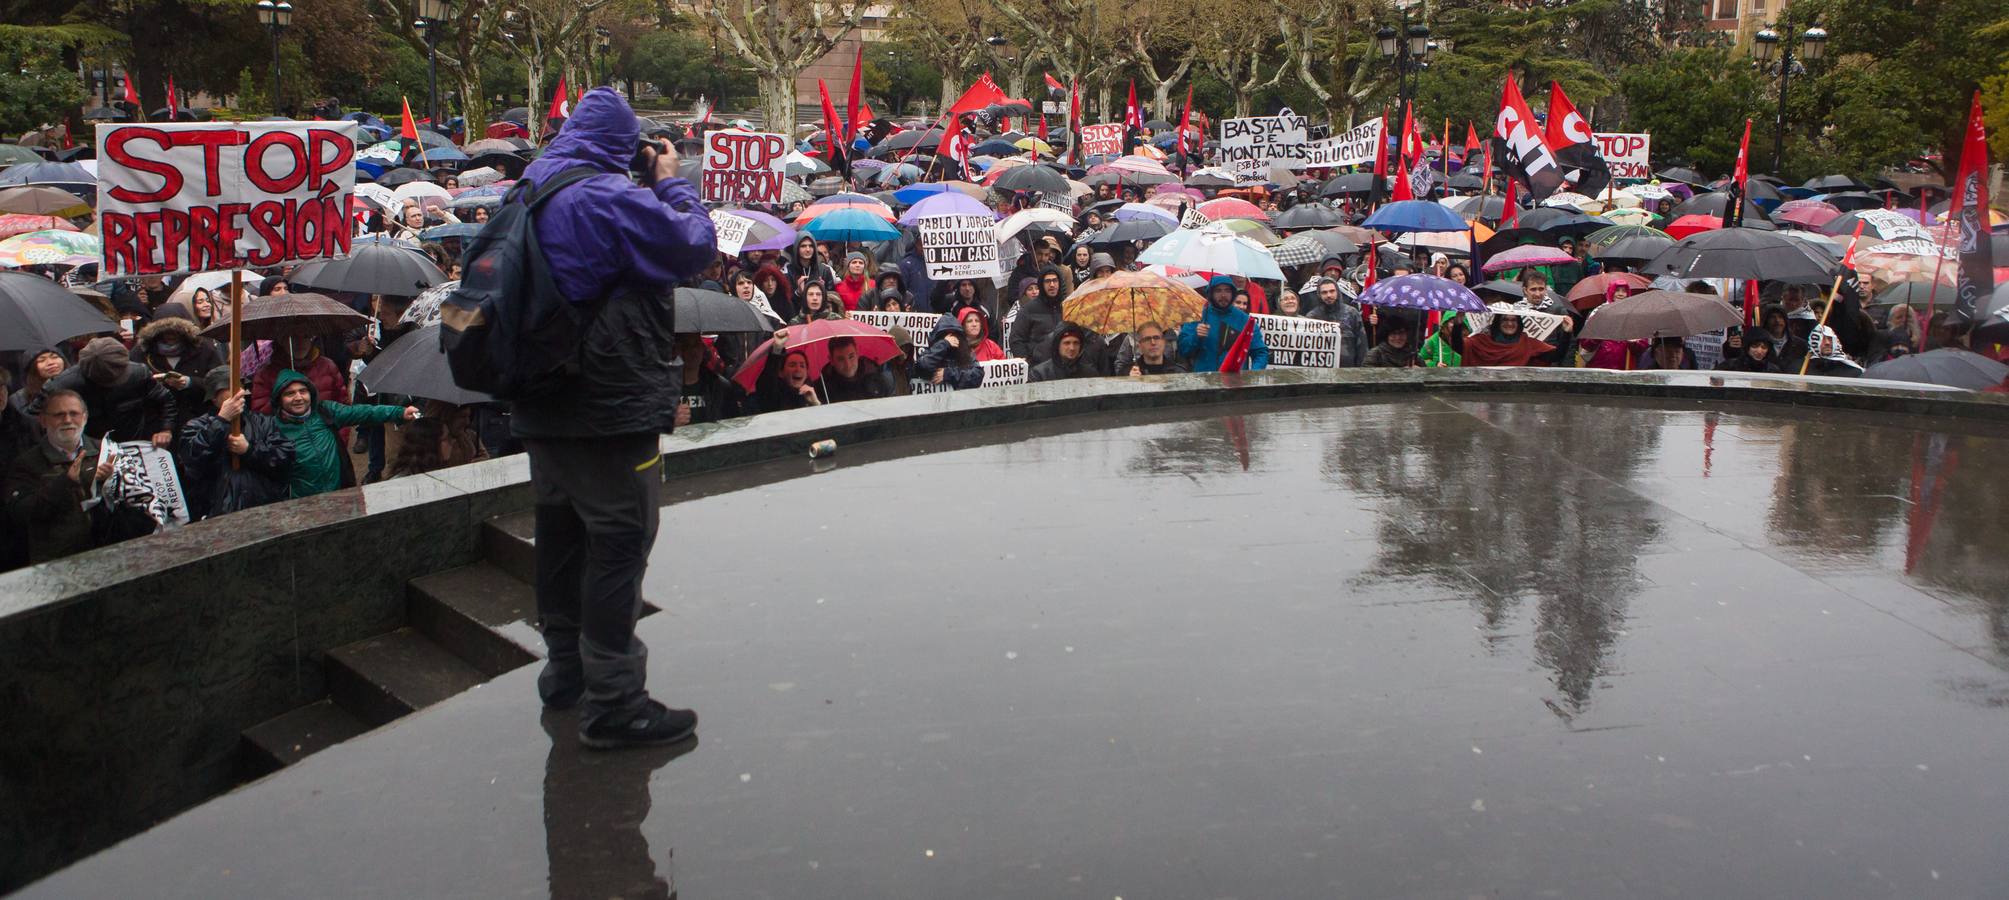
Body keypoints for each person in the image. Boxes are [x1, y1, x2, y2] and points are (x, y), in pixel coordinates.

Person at [509, 87, 713, 748]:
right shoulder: (601, 195)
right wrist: (672, 184)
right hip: (605, 400)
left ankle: (564, 673)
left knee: (561, 539)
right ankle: (616, 703)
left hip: (543, 396)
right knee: (618, 545)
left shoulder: (535, 184)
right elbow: (692, 246)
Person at [4, 390, 115, 564]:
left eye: (74, 414)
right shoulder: (26, 463)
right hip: (56, 562)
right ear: (43, 420)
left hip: (108, 554)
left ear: (85, 417)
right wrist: (64, 483)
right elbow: (21, 512)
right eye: (59, 415)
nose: (68, 420)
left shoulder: (107, 451)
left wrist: (110, 482)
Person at [269, 369, 414, 498]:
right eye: (290, 393)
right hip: (302, 504)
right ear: (279, 399)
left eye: (303, 391)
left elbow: (363, 412)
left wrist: (399, 412)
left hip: (339, 496)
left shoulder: (324, 411)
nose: (298, 397)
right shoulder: (272, 429)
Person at [178, 367, 293, 520]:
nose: (240, 393)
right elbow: (193, 460)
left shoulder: (262, 422)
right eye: (231, 388)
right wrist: (221, 421)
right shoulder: (196, 427)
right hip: (218, 512)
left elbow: (285, 458)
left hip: (264, 507)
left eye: (242, 387)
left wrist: (249, 450)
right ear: (214, 396)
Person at [45, 337, 175, 446]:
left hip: (134, 442)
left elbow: (165, 400)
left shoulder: (138, 373)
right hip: (87, 449)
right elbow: (36, 417)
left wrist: (166, 429)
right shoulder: (63, 385)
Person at [130, 302, 224, 444]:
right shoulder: (142, 352)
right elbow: (133, 389)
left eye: (176, 331)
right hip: (156, 426)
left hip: (199, 422)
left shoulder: (205, 348)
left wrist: (189, 382)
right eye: (165, 331)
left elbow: (218, 383)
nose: (170, 335)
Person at [1178, 275, 1270, 372]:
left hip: (1235, 382)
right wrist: (1196, 337)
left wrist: (1253, 374)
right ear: (1211, 293)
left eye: (1227, 290)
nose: (1223, 295)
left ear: (1233, 293)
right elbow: (1183, 351)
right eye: (1218, 291)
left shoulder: (1244, 320)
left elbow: (1260, 352)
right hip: (1204, 381)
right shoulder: (1197, 317)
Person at [1007, 265, 1069, 364]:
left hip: (1065, 365)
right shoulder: (1029, 309)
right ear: (1041, 284)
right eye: (1047, 281)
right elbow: (1016, 339)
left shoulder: (1068, 307)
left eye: (1055, 280)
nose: (1052, 285)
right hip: (1038, 368)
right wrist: (1027, 361)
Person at [1300, 277, 1365, 367]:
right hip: (1322, 370)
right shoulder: (1312, 317)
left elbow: (1362, 345)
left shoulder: (1352, 313)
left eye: (1332, 291)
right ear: (1319, 295)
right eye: (1324, 292)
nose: (1329, 295)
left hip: (1349, 371)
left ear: (1337, 292)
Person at [1458, 311, 1557, 367]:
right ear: (1497, 322)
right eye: (1505, 320)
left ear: (1519, 324)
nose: (1509, 324)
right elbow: (1458, 346)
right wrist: (1457, 325)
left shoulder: (1527, 343)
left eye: (1514, 320)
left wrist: (1567, 333)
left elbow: (1556, 355)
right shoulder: (1482, 341)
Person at [819, 337, 892, 402]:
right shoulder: (822, 388)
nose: (848, 365)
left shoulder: (877, 379)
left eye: (851, 357)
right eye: (841, 359)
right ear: (831, 360)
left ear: (857, 353)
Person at [1029, 322, 1098, 382]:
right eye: (1067, 343)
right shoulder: (1039, 374)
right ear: (1057, 345)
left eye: (1076, 343)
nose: (1072, 348)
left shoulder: (1090, 373)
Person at [1118, 322, 1188, 375]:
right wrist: (1128, 382)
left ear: (1164, 342)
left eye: (1156, 337)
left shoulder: (1178, 373)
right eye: (1147, 339)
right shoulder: (1127, 373)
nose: (1153, 342)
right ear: (1139, 346)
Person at [897, 235, 936, 314]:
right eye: (922, 243)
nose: (924, 247)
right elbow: (901, 291)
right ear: (916, 243)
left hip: (935, 314)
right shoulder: (906, 264)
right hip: (914, 315)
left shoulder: (938, 262)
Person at [1715, 327, 1782, 373]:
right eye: (1755, 346)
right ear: (1747, 347)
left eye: (1764, 347)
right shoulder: (1730, 366)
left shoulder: (1773, 371)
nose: (1759, 351)